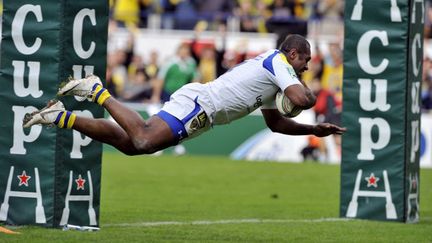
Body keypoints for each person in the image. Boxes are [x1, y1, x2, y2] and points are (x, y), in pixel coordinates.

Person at [23, 34, 346, 156]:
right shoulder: (278, 62)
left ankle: (59, 116)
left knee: (134, 146)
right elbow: (303, 100)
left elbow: (277, 125)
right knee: (145, 139)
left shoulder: (275, 80)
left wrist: (313, 129)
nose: (306, 68)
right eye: (305, 61)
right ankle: (96, 90)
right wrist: (309, 97)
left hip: (205, 114)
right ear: (292, 54)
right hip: (202, 103)